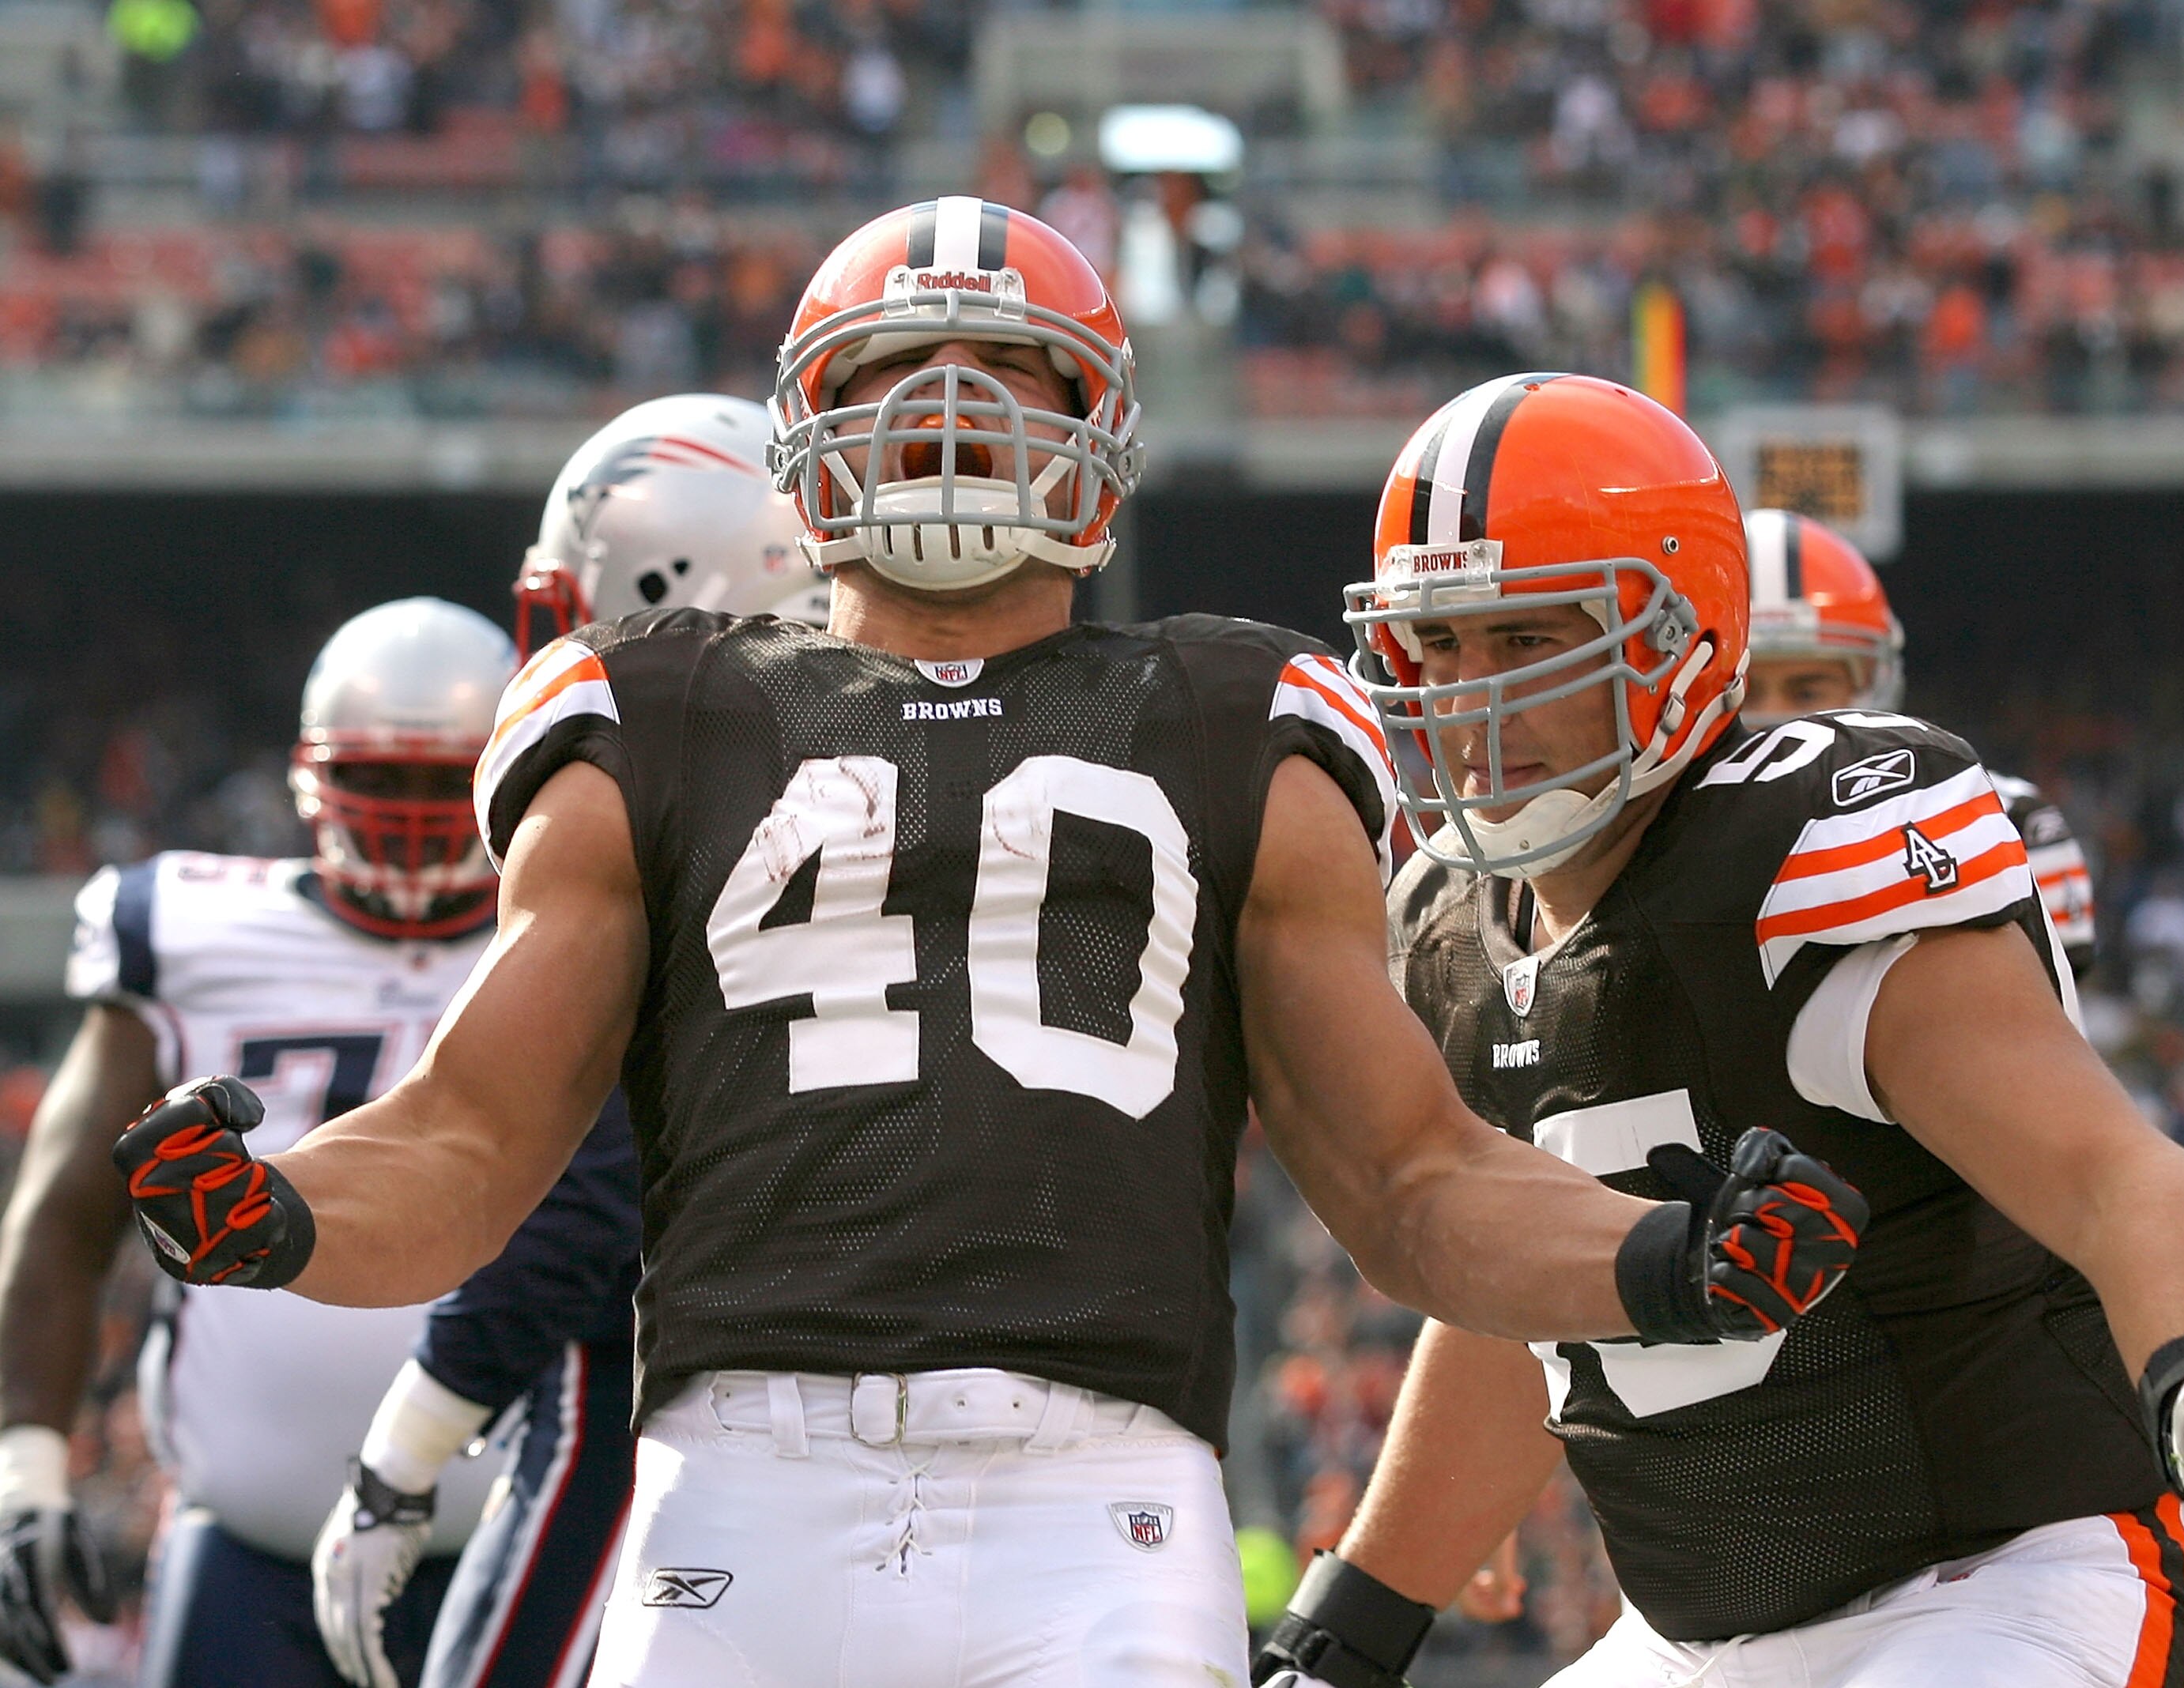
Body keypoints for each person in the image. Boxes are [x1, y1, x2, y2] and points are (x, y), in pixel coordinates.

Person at [110, 202, 1865, 1688]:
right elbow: (473, 1133)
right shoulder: (651, 713)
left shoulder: (1234, 710)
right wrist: (291, 1212)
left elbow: (1411, 1179)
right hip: (738, 1483)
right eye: (894, 378)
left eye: (1009, 378)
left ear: (1100, 426)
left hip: (1094, 1501)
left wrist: (1660, 1256)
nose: (951, 420)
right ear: (808, 432)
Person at [1251, 373, 2184, 1688]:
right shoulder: (1446, 925)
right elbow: (1520, 1300)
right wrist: (1356, 1625)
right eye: (1435, 647)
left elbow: (2108, 1169)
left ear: (1676, 638)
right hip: (1685, 1635)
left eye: (1522, 641)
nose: (1469, 703)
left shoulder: (1803, 861)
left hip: (1996, 1587)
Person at [311, 393, 839, 1688]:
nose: (546, 650)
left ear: (678, 585)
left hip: (665, 1399)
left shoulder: (669, 808)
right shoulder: (937, 766)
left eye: (567, 610)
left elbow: (583, 1183)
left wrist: (412, 1438)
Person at [0, 600, 516, 1688]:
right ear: (313, 778)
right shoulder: (187, 926)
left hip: (537, 1538)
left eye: (447, 781)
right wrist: (27, 1463)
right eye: (383, 780)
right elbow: (63, 1204)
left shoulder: (591, 929)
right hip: (253, 1547)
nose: (419, 817)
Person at [1739, 506, 2095, 972]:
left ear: (1874, 685)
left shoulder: (2004, 824)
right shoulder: (1639, 833)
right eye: (1743, 689)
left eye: (1807, 690)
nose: (1775, 718)